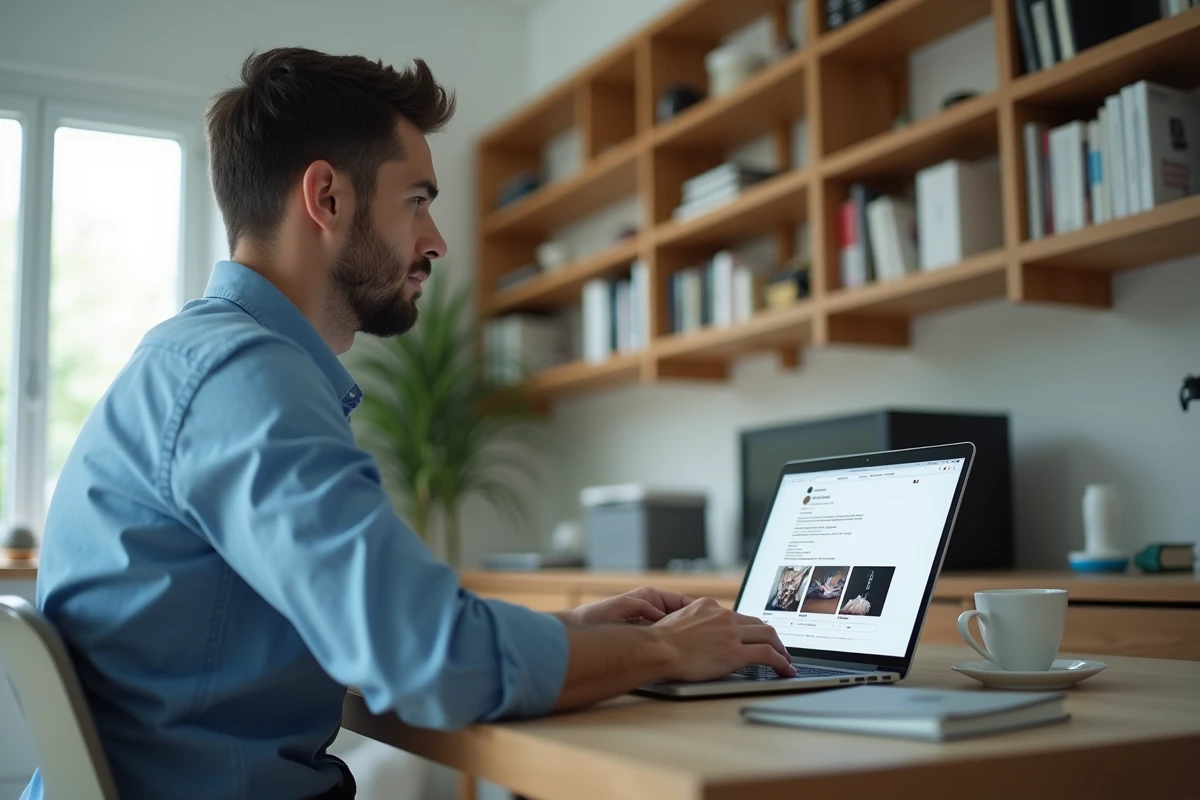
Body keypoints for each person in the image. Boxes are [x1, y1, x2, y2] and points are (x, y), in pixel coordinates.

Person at [22, 48, 794, 800]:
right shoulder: (246, 378)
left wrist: (586, 634)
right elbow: (429, 662)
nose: (436, 241)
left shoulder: (192, 358)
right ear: (326, 198)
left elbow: (378, 627)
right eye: (417, 200)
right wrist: (659, 648)